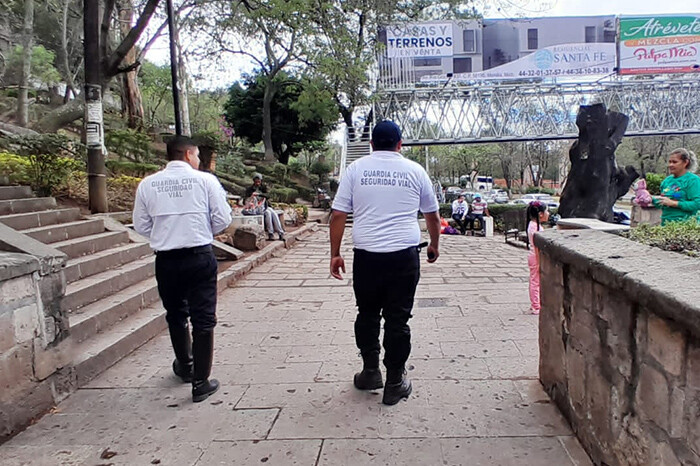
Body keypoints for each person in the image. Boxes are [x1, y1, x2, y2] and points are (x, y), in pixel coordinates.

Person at [329, 120, 441, 406]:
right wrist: (434, 245)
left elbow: (338, 214)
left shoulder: (356, 170)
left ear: (371, 145)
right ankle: (394, 383)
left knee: (367, 314)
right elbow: (432, 214)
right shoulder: (415, 170)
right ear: (400, 145)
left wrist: (335, 253)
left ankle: (370, 372)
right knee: (398, 318)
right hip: (403, 256)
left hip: (366, 257)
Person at [133, 135, 232, 403]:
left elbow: (141, 226)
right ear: (188, 154)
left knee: (175, 313)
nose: (198, 160)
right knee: (203, 317)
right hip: (199, 255)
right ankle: (201, 382)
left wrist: (167, 233)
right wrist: (199, 232)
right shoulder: (205, 181)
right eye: (197, 155)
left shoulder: (148, 184)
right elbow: (223, 218)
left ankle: (185, 366)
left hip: (166, 259)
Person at [652, 148, 700, 225]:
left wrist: (674, 203)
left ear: (685, 162)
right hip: (666, 225)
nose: (670, 165)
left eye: (674, 162)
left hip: (685, 226)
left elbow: (697, 204)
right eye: (669, 162)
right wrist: (650, 200)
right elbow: (663, 202)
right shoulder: (667, 181)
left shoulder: (693, 180)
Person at [245, 173, 285, 240]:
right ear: (253, 181)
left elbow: (268, 195)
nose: (257, 183)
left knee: (273, 213)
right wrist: (251, 197)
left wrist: (259, 194)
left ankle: (280, 233)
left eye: (259, 181)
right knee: (268, 213)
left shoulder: (263, 187)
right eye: (256, 181)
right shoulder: (249, 189)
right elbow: (245, 200)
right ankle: (270, 233)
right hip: (255, 208)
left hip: (264, 206)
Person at [526, 202, 549, 315]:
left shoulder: (533, 225)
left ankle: (535, 304)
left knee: (535, 280)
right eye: (546, 211)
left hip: (534, 256)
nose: (548, 213)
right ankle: (536, 305)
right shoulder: (535, 228)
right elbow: (537, 247)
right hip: (536, 256)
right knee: (535, 281)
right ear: (540, 214)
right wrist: (540, 261)